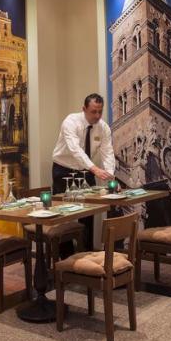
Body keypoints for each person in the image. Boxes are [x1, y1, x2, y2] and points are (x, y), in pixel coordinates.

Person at [51, 93, 115, 250]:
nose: (97, 116)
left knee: (88, 211)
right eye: (93, 112)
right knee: (63, 213)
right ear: (84, 109)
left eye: (100, 111)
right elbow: (75, 150)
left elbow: (108, 152)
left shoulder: (103, 127)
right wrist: (94, 169)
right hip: (63, 170)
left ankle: (86, 252)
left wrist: (110, 175)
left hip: (86, 171)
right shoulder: (71, 122)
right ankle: (66, 256)